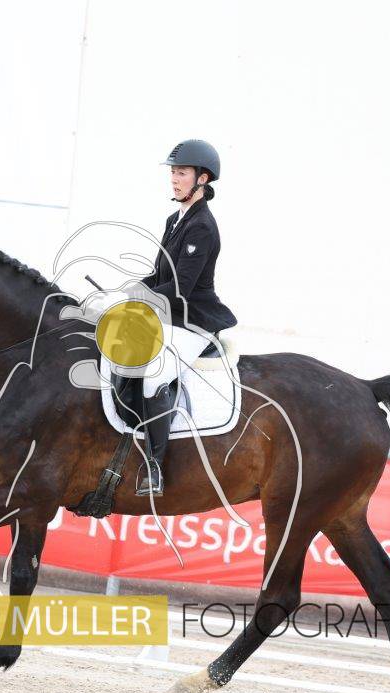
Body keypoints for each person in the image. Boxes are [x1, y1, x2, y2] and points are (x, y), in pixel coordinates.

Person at [134, 139, 238, 497]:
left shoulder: (203, 227)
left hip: (194, 321)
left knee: (154, 376)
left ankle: (154, 467)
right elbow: (159, 275)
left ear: (202, 179)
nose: (174, 179)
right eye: (173, 173)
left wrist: (145, 298)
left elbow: (180, 287)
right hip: (171, 317)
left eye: (181, 173)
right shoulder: (175, 219)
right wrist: (128, 291)